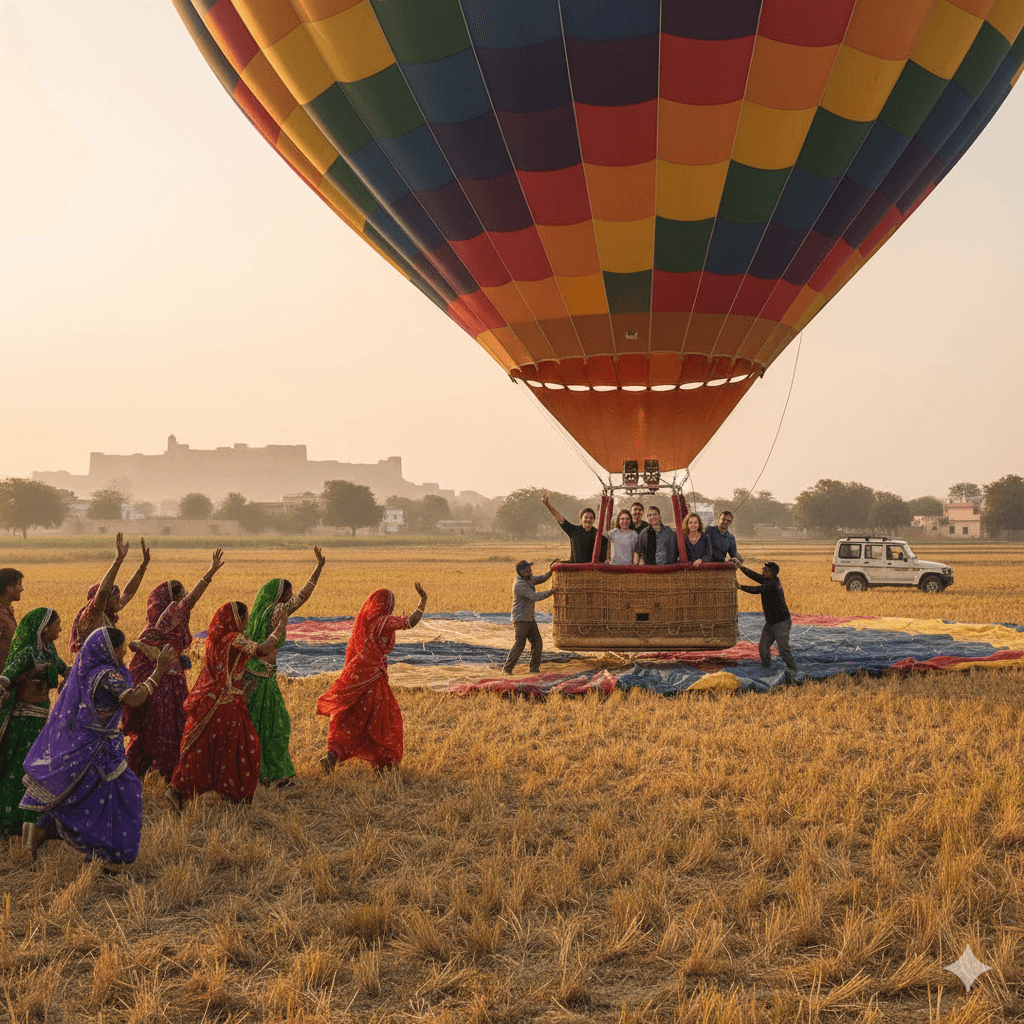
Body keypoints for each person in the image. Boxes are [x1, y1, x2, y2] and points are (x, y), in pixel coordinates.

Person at [20, 628, 177, 864]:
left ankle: (40, 832)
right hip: (99, 749)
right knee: (128, 791)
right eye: (122, 646)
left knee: (77, 794)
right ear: (111, 649)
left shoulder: (88, 671)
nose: (124, 650)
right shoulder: (108, 676)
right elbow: (134, 699)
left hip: (88, 744)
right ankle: (110, 854)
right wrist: (159, 671)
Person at [167, 602, 287, 809]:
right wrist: (281, 627)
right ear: (237, 619)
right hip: (227, 703)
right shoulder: (234, 638)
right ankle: (234, 793)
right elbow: (263, 649)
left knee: (210, 747)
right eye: (245, 618)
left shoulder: (216, 640)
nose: (248, 622)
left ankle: (182, 789)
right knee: (246, 747)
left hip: (215, 700)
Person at [121, 549, 225, 784]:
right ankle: (169, 771)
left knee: (157, 725)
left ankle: (145, 769)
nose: (185, 597)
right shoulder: (169, 615)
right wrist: (210, 573)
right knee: (166, 725)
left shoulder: (162, 622)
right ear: (171, 599)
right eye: (181, 594)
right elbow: (192, 600)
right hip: (165, 682)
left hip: (169, 677)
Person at [317, 584, 427, 774]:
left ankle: (333, 755)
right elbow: (411, 622)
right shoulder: (382, 622)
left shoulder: (365, 623)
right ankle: (384, 761)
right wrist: (423, 601)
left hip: (358, 674)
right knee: (383, 719)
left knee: (351, 718)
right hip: (373, 678)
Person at [243, 547, 327, 787]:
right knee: (277, 724)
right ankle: (273, 774)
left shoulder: (260, 613)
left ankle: (260, 772)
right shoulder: (278, 610)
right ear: (282, 595)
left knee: (259, 725)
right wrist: (318, 569)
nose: (292, 596)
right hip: (263, 678)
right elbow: (304, 596)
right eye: (288, 592)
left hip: (257, 674)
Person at [0, 608, 69, 836]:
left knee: (35, 770)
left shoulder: (49, 650)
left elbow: (63, 668)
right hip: (24, 719)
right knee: (19, 769)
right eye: (56, 624)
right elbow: (9, 673)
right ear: (43, 627)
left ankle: (30, 821)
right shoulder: (29, 653)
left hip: (41, 720)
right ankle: (9, 822)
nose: (60, 628)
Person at [69, 533, 150, 657]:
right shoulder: (93, 614)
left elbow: (128, 593)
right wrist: (118, 560)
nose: (119, 598)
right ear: (103, 600)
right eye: (114, 596)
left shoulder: (107, 614)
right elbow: (103, 592)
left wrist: (143, 566)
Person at [737, 561, 799, 672]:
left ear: (772, 573)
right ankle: (767, 669)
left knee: (783, 651)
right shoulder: (770, 579)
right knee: (763, 647)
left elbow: (757, 589)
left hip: (781, 623)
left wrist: (740, 586)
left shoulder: (772, 585)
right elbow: (755, 576)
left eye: (765, 570)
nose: (763, 571)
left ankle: (795, 672)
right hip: (770, 623)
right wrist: (741, 567)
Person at [502, 560, 553, 675]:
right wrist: (551, 592)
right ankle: (507, 669)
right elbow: (534, 597)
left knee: (537, 642)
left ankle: (534, 669)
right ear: (522, 572)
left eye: (530, 568)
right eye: (527, 569)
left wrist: (550, 573)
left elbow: (539, 579)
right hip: (520, 619)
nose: (530, 570)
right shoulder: (519, 584)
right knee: (520, 644)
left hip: (529, 618)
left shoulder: (528, 578)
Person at [541, 492, 608, 562]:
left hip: (592, 570)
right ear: (581, 519)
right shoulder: (574, 531)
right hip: (575, 569)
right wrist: (547, 505)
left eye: (591, 518)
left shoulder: (599, 534)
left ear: (594, 520)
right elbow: (560, 520)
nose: (588, 520)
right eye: (586, 517)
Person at [0, 568, 24, 670]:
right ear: (9, 588)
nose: (22, 588)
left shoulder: (7, 611)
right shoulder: (1, 615)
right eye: (19, 584)